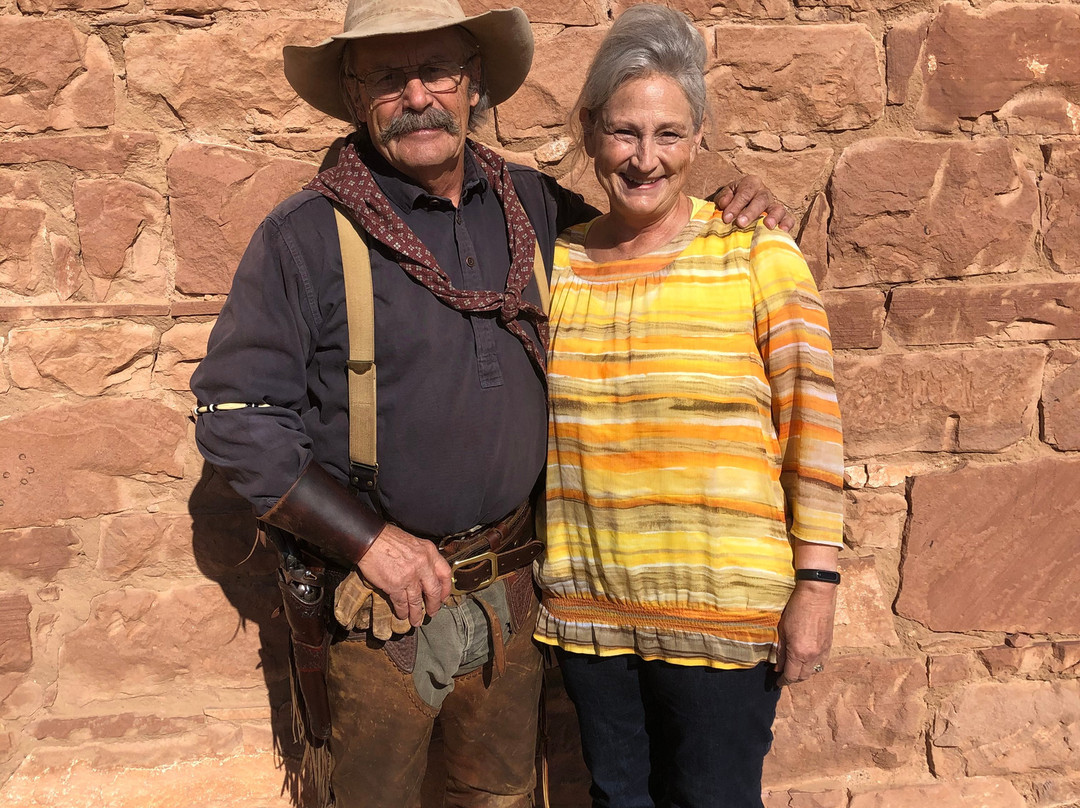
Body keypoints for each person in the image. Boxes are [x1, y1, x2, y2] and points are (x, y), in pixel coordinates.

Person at [190, 0, 791, 806]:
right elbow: (237, 417)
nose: (417, 96)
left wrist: (736, 205)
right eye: (387, 76)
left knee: (501, 799)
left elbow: (644, 231)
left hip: (513, 599)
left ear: (473, 84)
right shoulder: (306, 234)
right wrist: (370, 543)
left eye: (438, 69)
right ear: (352, 90)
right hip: (377, 611)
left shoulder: (534, 209)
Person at [532, 6, 845, 808]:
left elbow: (812, 426)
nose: (645, 160)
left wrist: (817, 586)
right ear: (591, 131)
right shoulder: (555, 266)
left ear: (700, 137)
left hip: (724, 616)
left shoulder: (754, 252)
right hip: (591, 612)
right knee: (616, 799)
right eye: (624, 132)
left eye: (668, 134)